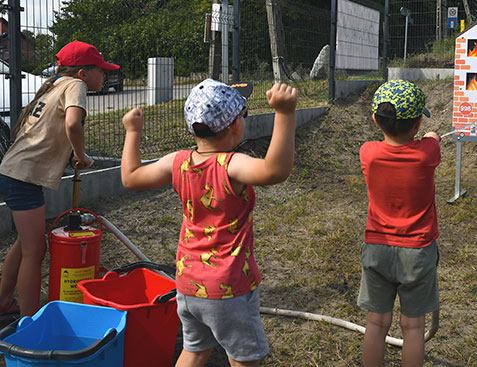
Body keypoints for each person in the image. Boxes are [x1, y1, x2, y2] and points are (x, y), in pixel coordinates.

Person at [121, 78, 297, 367]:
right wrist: (285, 113)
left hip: (188, 284)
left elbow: (130, 177)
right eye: (243, 114)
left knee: (195, 351)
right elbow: (275, 170)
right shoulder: (232, 165)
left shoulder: (177, 162)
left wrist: (132, 131)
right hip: (228, 289)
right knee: (244, 359)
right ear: (235, 126)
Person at [0, 40, 120, 318]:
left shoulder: (54, 85)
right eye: (100, 70)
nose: (104, 75)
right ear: (83, 73)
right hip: (22, 176)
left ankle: (5, 301)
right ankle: (29, 320)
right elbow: (71, 123)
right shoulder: (74, 86)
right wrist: (80, 154)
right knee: (35, 249)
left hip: (15, 171)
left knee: (24, 242)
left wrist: (74, 154)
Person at [358, 79, 441, 367]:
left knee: (377, 322)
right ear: (417, 124)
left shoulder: (367, 152)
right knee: (413, 327)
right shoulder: (428, 153)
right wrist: (432, 135)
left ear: (375, 120)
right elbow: (431, 142)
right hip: (417, 251)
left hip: (377, 247)